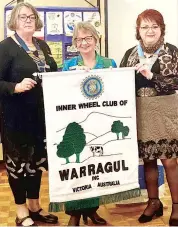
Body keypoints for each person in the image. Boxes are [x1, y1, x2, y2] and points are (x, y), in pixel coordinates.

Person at [0, 3, 58, 226]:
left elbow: (51, 74)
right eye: (22, 17)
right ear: (14, 21)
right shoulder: (5, 47)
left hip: (41, 117)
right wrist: (15, 86)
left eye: (31, 16)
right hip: (15, 117)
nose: (27, 20)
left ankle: (35, 206)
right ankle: (21, 210)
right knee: (18, 165)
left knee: (36, 163)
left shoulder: (42, 46)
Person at [120, 9, 178, 226]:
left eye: (155, 26)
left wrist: (151, 75)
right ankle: (153, 203)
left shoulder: (172, 52)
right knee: (148, 159)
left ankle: (176, 207)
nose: (150, 30)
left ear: (162, 29)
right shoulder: (130, 54)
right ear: (138, 31)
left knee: (169, 161)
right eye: (145, 26)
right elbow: (121, 82)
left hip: (165, 110)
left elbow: (176, 82)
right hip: (140, 110)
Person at [62, 21, 117, 226]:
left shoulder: (109, 64)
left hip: (100, 122)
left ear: (96, 39)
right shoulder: (69, 65)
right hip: (77, 123)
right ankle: (75, 213)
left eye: (88, 38)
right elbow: (62, 93)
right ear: (75, 43)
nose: (84, 42)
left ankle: (92, 211)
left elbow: (116, 92)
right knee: (78, 168)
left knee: (97, 168)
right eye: (79, 39)